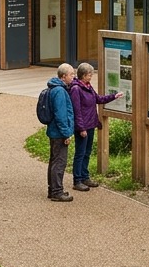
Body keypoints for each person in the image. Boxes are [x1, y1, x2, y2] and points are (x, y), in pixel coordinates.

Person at [68, 61, 121, 191]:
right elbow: (77, 110)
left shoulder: (88, 86)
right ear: (84, 75)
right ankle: (77, 180)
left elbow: (98, 99)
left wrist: (114, 96)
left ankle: (85, 176)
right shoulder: (76, 89)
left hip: (91, 124)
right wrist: (81, 128)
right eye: (90, 75)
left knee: (87, 152)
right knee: (80, 153)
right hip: (83, 127)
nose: (91, 77)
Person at [45, 63, 76, 201]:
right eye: (71, 74)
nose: (73, 77)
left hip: (53, 131)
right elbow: (61, 115)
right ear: (63, 77)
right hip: (59, 133)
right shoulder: (60, 91)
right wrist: (66, 133)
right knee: (59, 161)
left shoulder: (55, 88)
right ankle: (57, 191)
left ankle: (53, 189)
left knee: (54, 160)